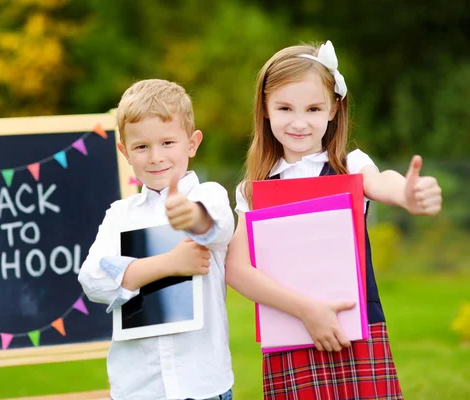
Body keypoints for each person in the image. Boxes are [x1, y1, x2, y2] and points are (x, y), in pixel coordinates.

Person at [226, 40, 442, 399]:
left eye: (312, 108)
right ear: (265, 109)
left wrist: (406, 193)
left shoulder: (351, 165)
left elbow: (382, 182)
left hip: (358, 333)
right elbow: (235, 270)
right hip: (290, 334)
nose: (299, 122)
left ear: (332, 109)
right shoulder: (253, 190)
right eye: (284, 108)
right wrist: (306, 311)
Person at [78, 79, 234, 400]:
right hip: (138, 388)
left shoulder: (207, 196)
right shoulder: (120, 215)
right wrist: (170, 264)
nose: (155, 157)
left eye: (167, 143)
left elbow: (217, 227)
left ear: (191, 143)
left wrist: (192, 217)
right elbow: (93, 278)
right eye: (141, 147)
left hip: (202, 384)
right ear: (124, 151)